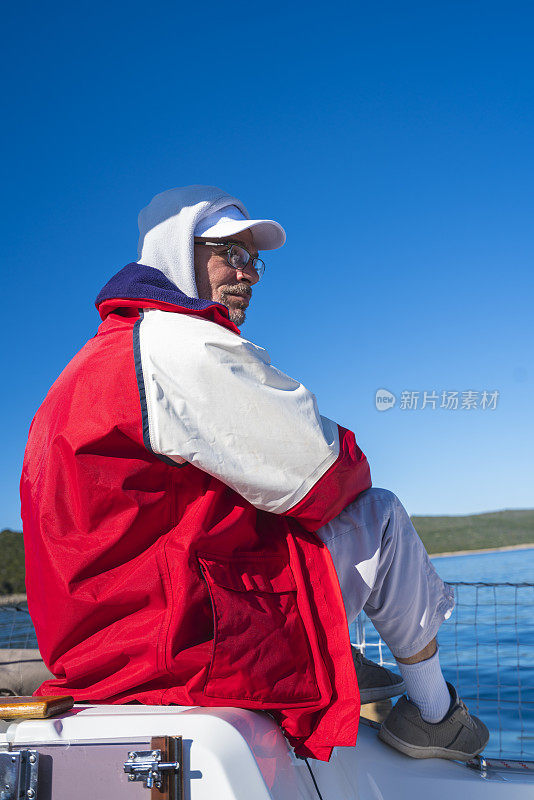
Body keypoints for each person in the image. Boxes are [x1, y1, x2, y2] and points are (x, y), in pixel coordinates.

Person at [21, 185, 488, 762]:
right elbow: (320, 474)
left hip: (101, 647)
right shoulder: (180, 345)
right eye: (231, 254)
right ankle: (434, 716)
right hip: (184, 642)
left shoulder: (91, 363)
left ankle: (335, 652)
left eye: (254, 260)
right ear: (176, 251)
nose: (251, 274)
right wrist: (343, 447)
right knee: (379, 514)